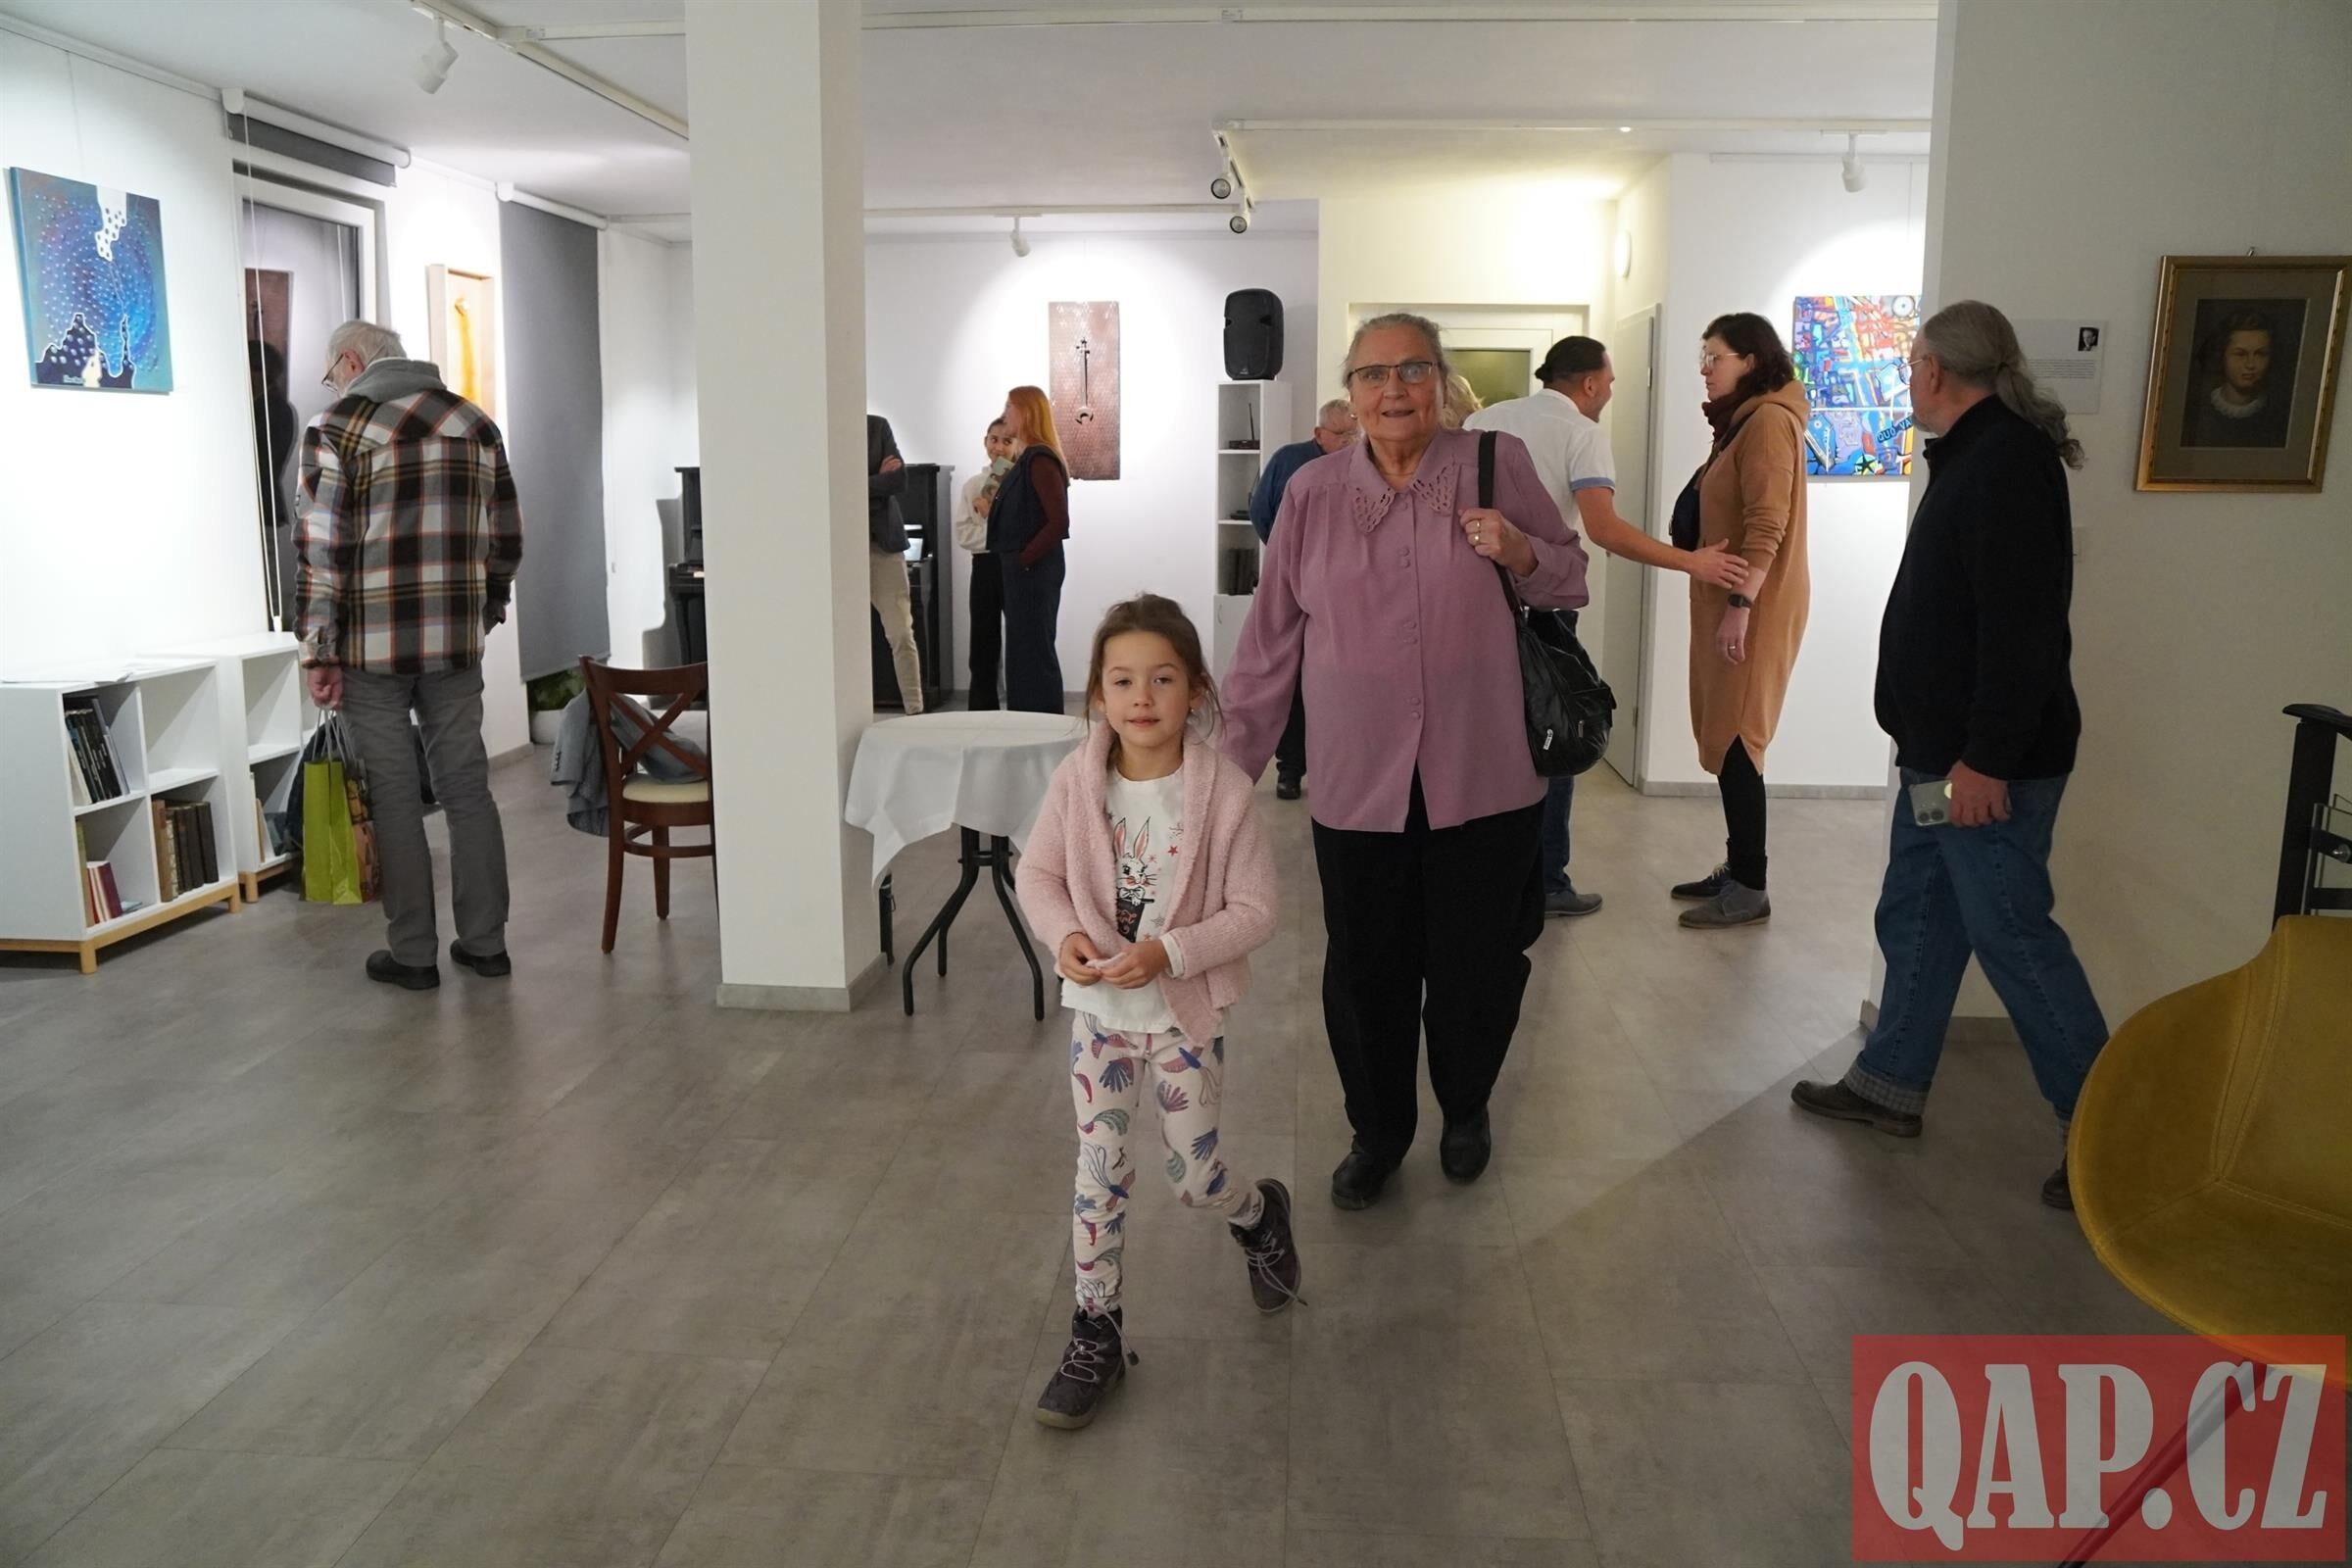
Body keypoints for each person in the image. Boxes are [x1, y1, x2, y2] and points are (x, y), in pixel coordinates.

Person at [1223, 313, 1591, 1210]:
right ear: (1351, 394)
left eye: (1414, 370)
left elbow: (1569, 574)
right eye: (1374, 374)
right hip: (1359, 784)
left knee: (1480, 966)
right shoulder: (1311, 494)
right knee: (1365, 973)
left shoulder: (1496, 463)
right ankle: (1378, 1132)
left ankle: (1466, 1107)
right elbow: (1270, 643)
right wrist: (1226, 776)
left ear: (1441, 382)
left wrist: (1520, 548)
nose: (1394, 390)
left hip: (1486, 775)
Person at [1792, 301, 2109, 1211]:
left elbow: (2022, 634)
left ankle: (2109, 1140)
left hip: (1981, 769)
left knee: (2014, 938)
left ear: (1935, 368)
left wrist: (1986, 763)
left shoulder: (2003, 463)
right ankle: (1890, 1082)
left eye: (1912, 365)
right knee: (1920, 911)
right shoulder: (1978, 454)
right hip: (1941, 761)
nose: (1909, 381)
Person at [1016, 594, 1299, 1429]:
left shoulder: (1225, 794)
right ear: (1098, 695)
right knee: (1098, 1176)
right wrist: (1067, 934)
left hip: (1182, 1021)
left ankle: (1259, 1215)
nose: (1142, 697)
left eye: (1163, 679)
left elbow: (1256, 911)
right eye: (1122, 680)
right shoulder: (1077, 783)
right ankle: (1096, 1332)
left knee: (1195, 1181)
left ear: (1196, 691)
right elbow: (1038, 875)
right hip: (1100, 1017)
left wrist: (1167, 953)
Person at [1468, 336, 1751, 918]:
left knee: (1484, 739)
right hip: (1541, 607)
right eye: (1611, 383)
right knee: (1557, 733)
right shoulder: (1581, 433)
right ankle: (1548, 882)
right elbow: (1604, 529)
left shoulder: (1483, 420)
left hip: (1472, 603)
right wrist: (1691, 561)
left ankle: (1485, 877)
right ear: (1590, 383)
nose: (1611, 393)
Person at [297, 320, 521, 991]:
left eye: (331, 373)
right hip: (453, 644)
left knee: (395, 796)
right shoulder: (474, 424)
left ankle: (414, 954)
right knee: (467, 789)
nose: (333, 385)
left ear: (349, 361)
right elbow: (505, 538)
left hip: (371, 649)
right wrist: (484, 610)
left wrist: (320, 651)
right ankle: (486, 944)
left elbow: (322, 551)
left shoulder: (337, 427)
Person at [1667, 312, 1811, 930]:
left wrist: (1741, 608)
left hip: (1753, 607)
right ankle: (1738, 866)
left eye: (1715, 357)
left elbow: (1768, 524)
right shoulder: (1740, 424)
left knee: (1741, 739)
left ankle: (1751, 884)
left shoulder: (1769, 423)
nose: (1704, 369)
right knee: (1726, 731)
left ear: (1750, 361)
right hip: (1729, 603)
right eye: (1702, 358)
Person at [1248, 398, 1358, 800]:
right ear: (1318, 433)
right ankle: (1290, 769)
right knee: (1292, 676)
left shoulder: (1361, 465)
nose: (1348, 440)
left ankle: (1341, 768)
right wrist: (1287, 557)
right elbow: (1260, 510)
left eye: (1353, 433)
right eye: (1341, 434)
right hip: (1294, 586)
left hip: (1345, 591)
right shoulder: (1290, 461)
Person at [989, 386, 1072, 712]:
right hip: (1025, 571)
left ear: (1026, 412)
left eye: (1010, 407)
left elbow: (1058, 521)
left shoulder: (1039, 459)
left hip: (1033, 573)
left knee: (1034, 651)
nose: (1004, 413)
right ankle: (1025, 720)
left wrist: (1023, 560)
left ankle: (1043, 722)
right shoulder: (1027, 458)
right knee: (1024, 651)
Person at [956, 417, 1016, 709]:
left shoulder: (1021, 482)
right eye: (994, 440)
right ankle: (982, 708)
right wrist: (997, 534)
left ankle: (1021, 707)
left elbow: (1023, 530)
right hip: (984, 567)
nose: (999, 447)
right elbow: (964, 534)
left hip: (1017, 566)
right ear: (985, 442)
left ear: (1017, 444)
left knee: (1020, 639)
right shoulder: (974, 485)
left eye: (1007, 441)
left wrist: (991, 526)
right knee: (983, 641)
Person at [866, 414, 924, 713]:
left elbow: (898, 479)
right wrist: (876, 482)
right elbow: (823, 485)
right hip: (837, 545)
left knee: (901, 632)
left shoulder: (877, 427)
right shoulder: (821, 428)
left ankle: (915, 710)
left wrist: (859, 485)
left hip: (882, 544)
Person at [2180, 307, 2293, 449]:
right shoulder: (2195, 413)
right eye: (2240, 354)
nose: (2250, 364)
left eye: (2260, 354)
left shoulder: (2281, 418)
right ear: (2221, 355)